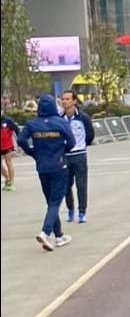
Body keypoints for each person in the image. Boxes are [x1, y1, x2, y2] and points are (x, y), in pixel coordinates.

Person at [17, 94, 74, 251]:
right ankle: (45, 232)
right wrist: (62, 151)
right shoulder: (61, 123)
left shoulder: (32, 124)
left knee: (50, 202)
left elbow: (21, 140)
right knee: (55, 202)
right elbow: (71, 142)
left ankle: (59, 235)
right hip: (59, 165)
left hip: (42, 166)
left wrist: (33, 152)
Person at [60, 91, 94, 222]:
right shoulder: (59, 118)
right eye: (63, 99)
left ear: (74, 101)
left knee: (81, 185)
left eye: (67, 99)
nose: (64, 102)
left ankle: (82, 212)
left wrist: (82, 145)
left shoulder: (83, 117)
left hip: (79, 155)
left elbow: (90, 135)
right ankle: (70, 209)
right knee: (66, 185)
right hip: (65, 156)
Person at [1, 109, 18, 192]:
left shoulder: (8, 120)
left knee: (8, 162)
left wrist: (20, 142)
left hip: (7, 145)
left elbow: (17, 130)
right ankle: (7, 178)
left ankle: (11, 183)